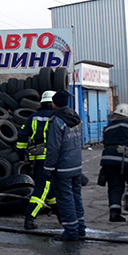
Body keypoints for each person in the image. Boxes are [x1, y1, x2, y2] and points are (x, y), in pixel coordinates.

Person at [43, 90, 85, 241]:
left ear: (54, 104)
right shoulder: (76, 118)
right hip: (76, 164)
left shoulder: (56, 121)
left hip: (63, 167)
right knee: (76, 197)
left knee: (65, 198)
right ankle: (80, 228)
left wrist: (48, 168)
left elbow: (53, 147)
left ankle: (71, 231)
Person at [20, 91, 59, 230]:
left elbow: (22, 135)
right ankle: (30, 218)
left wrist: (22, 153)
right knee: (42, 189)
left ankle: (60, 214)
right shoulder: (56, 117)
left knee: (51, 188)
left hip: (36, 158)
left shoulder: (33, 117)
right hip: (51, 159)